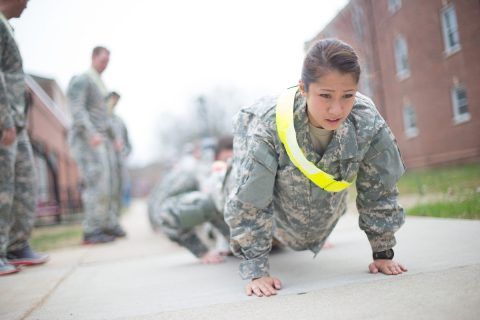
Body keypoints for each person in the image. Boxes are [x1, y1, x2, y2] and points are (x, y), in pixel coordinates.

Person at [224, 38, 407, 297]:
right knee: (224, 201)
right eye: (325, 96)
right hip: (267, 217)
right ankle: (218, 176)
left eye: (348, 96)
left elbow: (380, 189)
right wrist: (256, 270)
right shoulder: (267, 123)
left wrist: (383, 252)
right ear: (303, 89)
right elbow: (249, 201)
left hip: (313, 223)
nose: (337, 109)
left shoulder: (366, 121)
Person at [0, 0, 49, 276]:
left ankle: (17, 246)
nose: (28, 5)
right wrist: (4, 119)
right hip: (5, 120)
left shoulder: (6, 28)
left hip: (15, 122)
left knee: (25, 183)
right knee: (3, 187)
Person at [67, 46, 124, 244]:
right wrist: (91, 133)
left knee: (105, 184)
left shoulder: (101, 84)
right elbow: (77, 110)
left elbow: (105, 117)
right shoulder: (83, 80)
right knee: (95, 184)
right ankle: (91, 230)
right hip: (88, 141)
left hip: (101, 140)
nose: (105, 64)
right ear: (93, 57)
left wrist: (114, 137)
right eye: (102, 60)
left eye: (108, 60)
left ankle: (103, 225)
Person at [148, 137, 233, 264]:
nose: (230, 162)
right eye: (227, 159)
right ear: (217, 156)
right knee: (206, 202)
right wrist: (201, 251)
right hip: (165, 216)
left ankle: (232, 243)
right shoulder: (202, 171)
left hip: (172, 211)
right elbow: (162, 213)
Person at [107, 91, 132, 226]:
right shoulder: (103, 119)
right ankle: (108, 222)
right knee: (108, 191)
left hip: (119, 162)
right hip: (106, 163)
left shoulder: (119, 121)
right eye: (112, 100)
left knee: (118, 191)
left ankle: (116, 221)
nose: (114, 103)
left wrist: (124, 152)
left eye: (116, 100)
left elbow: (128, 143)